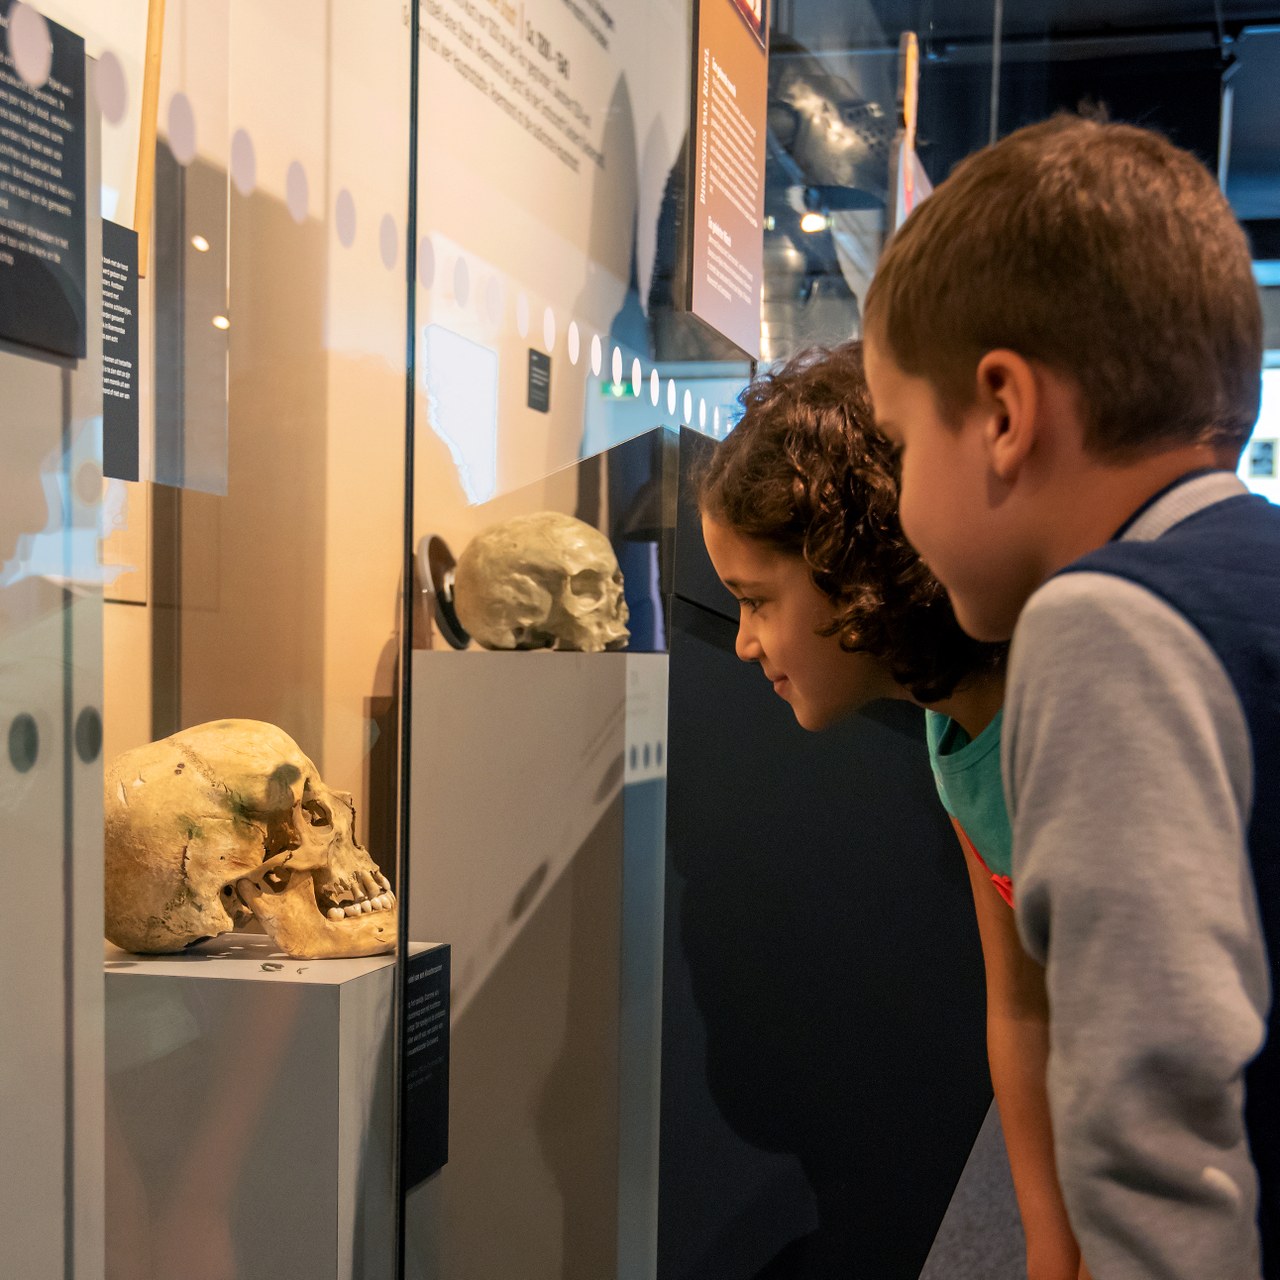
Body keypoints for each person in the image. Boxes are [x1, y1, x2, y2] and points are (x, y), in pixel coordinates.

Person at [862, 113, 1278, 1280]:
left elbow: (1148, 1108)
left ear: (999, 413)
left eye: (898, 441)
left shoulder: (1099, 625)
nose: (898, 498)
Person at [698, 339, 1090, 1279]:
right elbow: (1021, 1002)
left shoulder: (1057, 711)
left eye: (757, 601)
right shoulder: (946, 734)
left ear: (851, 561)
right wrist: (1049, 1248)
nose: (745, 643)